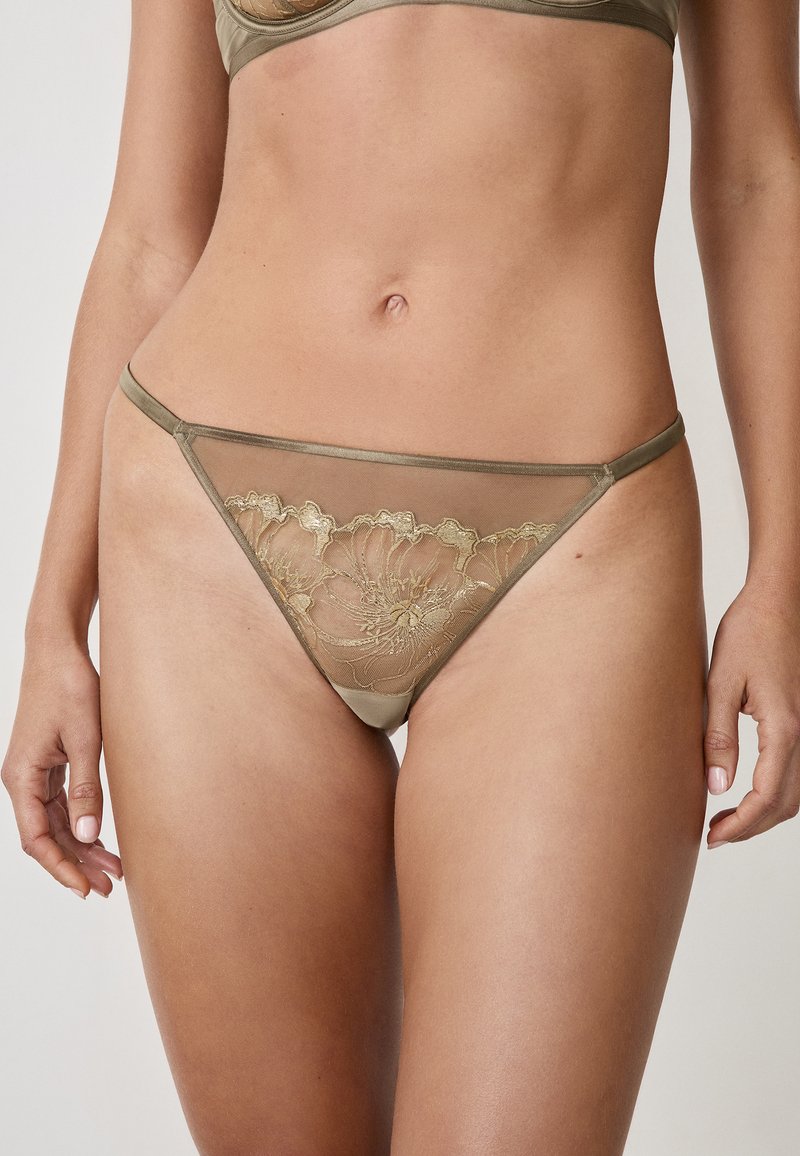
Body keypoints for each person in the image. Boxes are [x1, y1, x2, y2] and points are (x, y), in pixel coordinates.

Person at [3, 1, 799, 1152]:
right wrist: (51, 618)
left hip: (578, 541)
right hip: (206, 528)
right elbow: (149, 232)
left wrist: (780, 577)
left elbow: (756, 179)